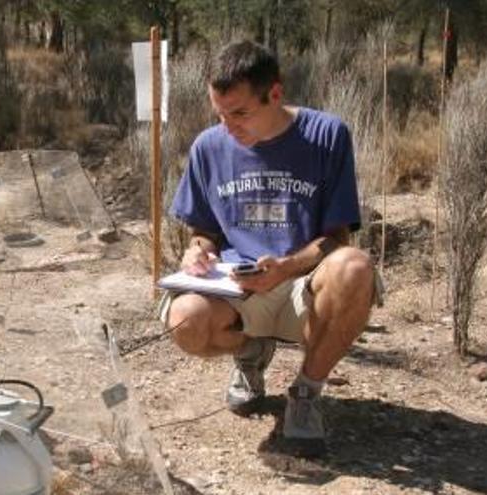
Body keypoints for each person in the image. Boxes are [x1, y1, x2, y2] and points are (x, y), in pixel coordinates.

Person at [161, 41, 382, 457]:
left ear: (275, 94)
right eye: (220, 114)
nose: (229, 127)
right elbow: (203, 229)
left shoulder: (326, 135)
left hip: (306, 283)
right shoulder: (209, 147)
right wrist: (197, 251)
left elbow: (338, 237)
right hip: (239, 288)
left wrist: (287, 266)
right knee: (183, 321)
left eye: (240, 113)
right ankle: (249, 352)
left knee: (355, 267)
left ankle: (305, 392)